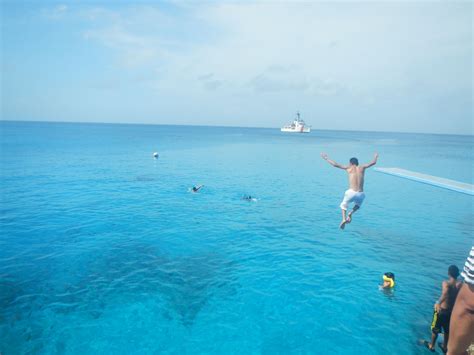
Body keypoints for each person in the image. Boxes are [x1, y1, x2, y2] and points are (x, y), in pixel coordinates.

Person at [321, 152, 378, 229]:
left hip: (351, 192)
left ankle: (344, 219)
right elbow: (373, 162)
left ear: (350, 163)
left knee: (343, 205)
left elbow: (335, 164)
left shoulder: (348, 168)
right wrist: (375, 156)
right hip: (360, 194)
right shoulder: (362, 167)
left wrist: (326, 158)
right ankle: (351, 213)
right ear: (358, 163)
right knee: (358, 205)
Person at [425, 265, 462, 353]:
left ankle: (432, 346)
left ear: (448, 273)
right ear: (457, 274)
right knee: (447, 330)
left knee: (435, 329)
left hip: (441, 311)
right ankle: (445, 347)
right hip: (451, 312)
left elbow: (445, 294)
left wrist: (438, 302)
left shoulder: (446, 283)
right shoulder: (460, 284)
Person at [447, 247, 474, 355]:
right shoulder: (456, 284)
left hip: (446, 311)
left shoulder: (446, 285)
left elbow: (469, 305)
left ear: (449, 273)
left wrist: (453, 352)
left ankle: (434, 345)